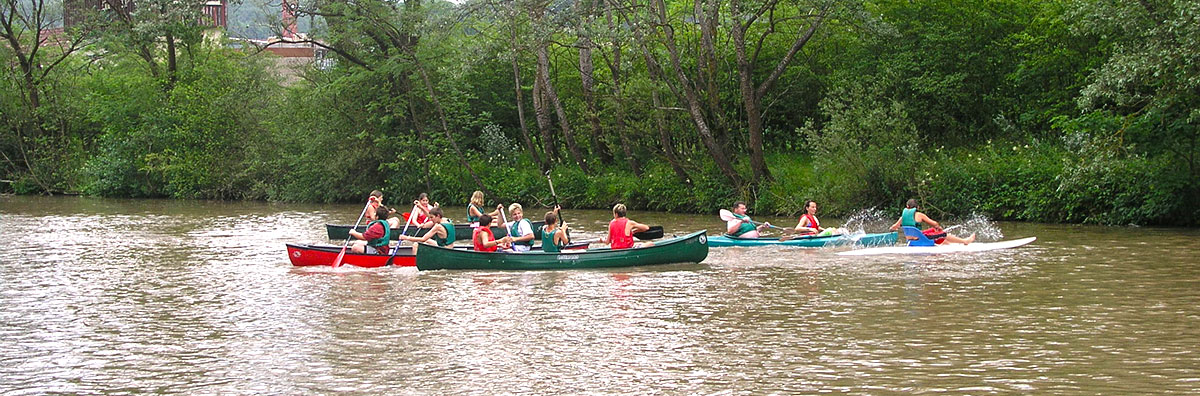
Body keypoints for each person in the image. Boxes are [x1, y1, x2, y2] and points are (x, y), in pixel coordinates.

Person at [889, 199, 975, 245]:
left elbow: (894, 227)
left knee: (933, 232)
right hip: (920, 240)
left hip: (910, 241)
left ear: (907, 207)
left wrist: (892, 229)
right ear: (917, 207)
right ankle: (965, 241)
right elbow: (935, 224)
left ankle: (948, 244)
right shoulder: (920, 215)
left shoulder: (902, 218)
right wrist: (938, 228)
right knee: (942, 234)